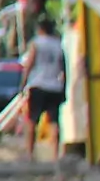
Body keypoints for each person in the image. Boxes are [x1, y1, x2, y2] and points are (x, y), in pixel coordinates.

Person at [22, 15, 69, 157]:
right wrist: (64, 87)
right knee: (54, 122)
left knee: (31, 121)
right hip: (55, 86)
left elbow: (29, 63)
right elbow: (64, 68)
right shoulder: (58, 44)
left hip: (38, 84)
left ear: (40, 29)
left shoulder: (36, 43)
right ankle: (55, 154)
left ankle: (30, 154)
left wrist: (23, 83)